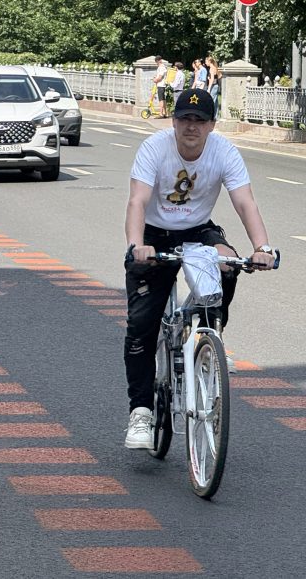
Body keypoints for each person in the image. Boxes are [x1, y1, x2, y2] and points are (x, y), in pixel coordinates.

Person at [121, 88, 276, 449]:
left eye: (200, 120)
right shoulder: (154, 148)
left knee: (227, 263)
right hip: (154, 236)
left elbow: (244, 201)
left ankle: (210, 337)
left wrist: (262, 248)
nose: (192, 127)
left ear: (212, 125)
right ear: (173, 121)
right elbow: (137, 200)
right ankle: (141, 413)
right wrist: (135, 245)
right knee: (141, 328)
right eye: (185, 119)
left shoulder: (224, 151)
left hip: (197, 230)